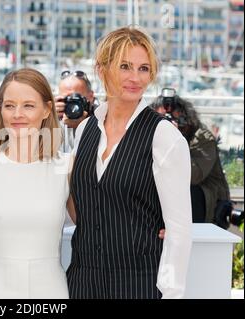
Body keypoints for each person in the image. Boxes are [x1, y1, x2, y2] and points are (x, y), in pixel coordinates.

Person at [67, 26, 192, 299]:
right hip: (82, 282)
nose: (135, 78)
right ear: (102, 70)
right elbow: (81, 207)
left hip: (138, 285)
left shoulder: (164, 136)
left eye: (144, 68)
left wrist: (170, 294)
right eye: (125, 66)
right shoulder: (85, 129)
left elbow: (179, 232)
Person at [0, 68, 72, 298]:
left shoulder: (66, 167)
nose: (17, 114)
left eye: (28, 105)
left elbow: (97, 226)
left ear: (46, 109)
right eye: (9, 105)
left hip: (49, 293)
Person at [150, 94, 230, 224]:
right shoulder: (152, 137)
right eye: (161, 119)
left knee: (185, 191)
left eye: (171, 119)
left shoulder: (202, 138)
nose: (166, 124)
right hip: (174, 197)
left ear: (184, 117)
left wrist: (173, 139)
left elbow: (193, 176)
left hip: (207, 200)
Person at [55, 70, 95, 152]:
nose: (73, 105)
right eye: (67, 99)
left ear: (90, 97)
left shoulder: (102, 119)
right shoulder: (51, 121)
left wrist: (85, 127)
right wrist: (50, 117)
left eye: (77, 98)